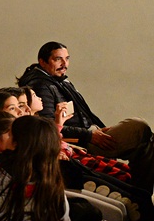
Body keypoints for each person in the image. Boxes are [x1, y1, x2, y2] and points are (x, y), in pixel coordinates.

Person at [18, 41, 154, 191]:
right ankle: (140, 196)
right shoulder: (41, 85)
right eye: (58, 59)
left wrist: (100, 128)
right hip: (81, 142)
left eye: (67, 58)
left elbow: (84, 112)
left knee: (145, 143)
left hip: (89, 134)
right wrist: (89, 135)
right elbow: (48, 126)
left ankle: (138, 196)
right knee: (140, 129)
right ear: (42, 62)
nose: (65, 64)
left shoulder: (59, 79)